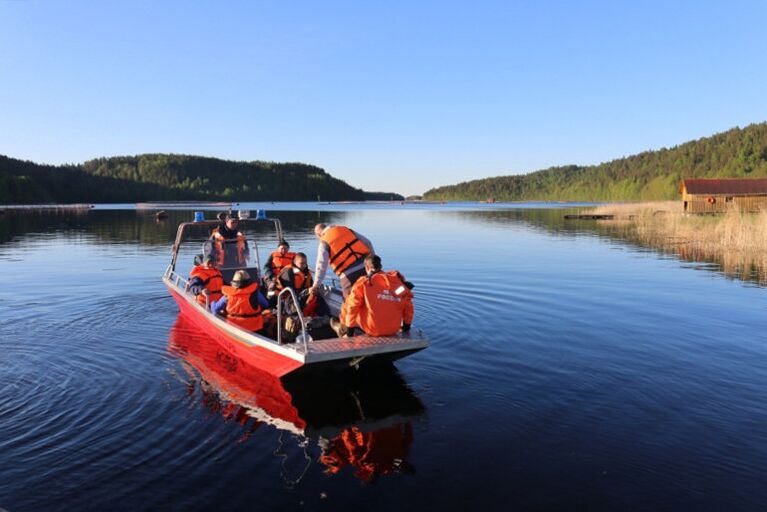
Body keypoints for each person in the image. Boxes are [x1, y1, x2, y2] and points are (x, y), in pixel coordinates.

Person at [333, 254, 413, 337]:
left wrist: (350, 333)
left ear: (366, 268)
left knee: (348, 303)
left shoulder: (363, 283)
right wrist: (406, 327)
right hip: (393, 329)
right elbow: (409, 307)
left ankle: (343, 330)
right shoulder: (397, 283)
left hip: (371, 329)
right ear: (381, 266)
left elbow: (352, 307)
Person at [310, 223, 374, 298]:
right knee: (371, 295)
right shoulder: (345, 229)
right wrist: (373, 262)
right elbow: (368, 242)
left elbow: (321, 265)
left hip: (349, 275)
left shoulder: (324, 242)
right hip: (367, 267)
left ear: (318, 234)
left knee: (349, 303)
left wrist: (316, 285)